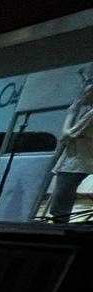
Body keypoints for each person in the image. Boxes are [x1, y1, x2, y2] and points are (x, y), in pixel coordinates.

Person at [49, 81, 93, 223]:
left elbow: (66, 135)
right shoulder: (89, 112)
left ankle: (60, 229)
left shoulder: (91, 113)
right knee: (62, 200)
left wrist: (71, 113)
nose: (84, 95)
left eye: (87, 92)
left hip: (76, 163)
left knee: (60, 204)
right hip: (76, 161)